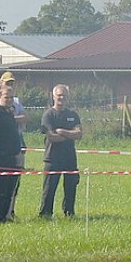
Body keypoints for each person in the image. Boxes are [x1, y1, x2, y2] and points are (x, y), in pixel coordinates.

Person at [0, 76, 27, 222]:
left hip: (11, 157)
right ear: (0, 96)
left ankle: (4, 215)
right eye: (6, 97)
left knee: (9, 188)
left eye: (11, 98)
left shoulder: (9, 113)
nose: (9, 100)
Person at [38, 84, 83, 219]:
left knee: (71, 187)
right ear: (53, 96)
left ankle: (69, 213)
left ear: (68, 97)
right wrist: (70, 135)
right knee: (49, 188)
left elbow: (79, 134)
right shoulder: (48, 115)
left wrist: (62, 132)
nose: (61, 98)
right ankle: (45, 214)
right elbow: (51, 137)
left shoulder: (73, 115)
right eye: (59, 95)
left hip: (69, 157)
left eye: (64, 95)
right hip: (52, 157)